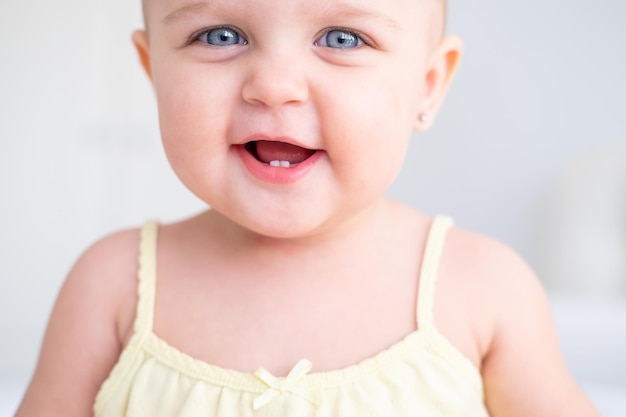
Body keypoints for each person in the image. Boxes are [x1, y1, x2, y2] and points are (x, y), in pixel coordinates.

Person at [16, 0, 599, 415]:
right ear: (153, 73)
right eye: (220, 35)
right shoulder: (113, 287)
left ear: (427, 85)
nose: (273, 85)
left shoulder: (483, 289)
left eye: (342, 38)